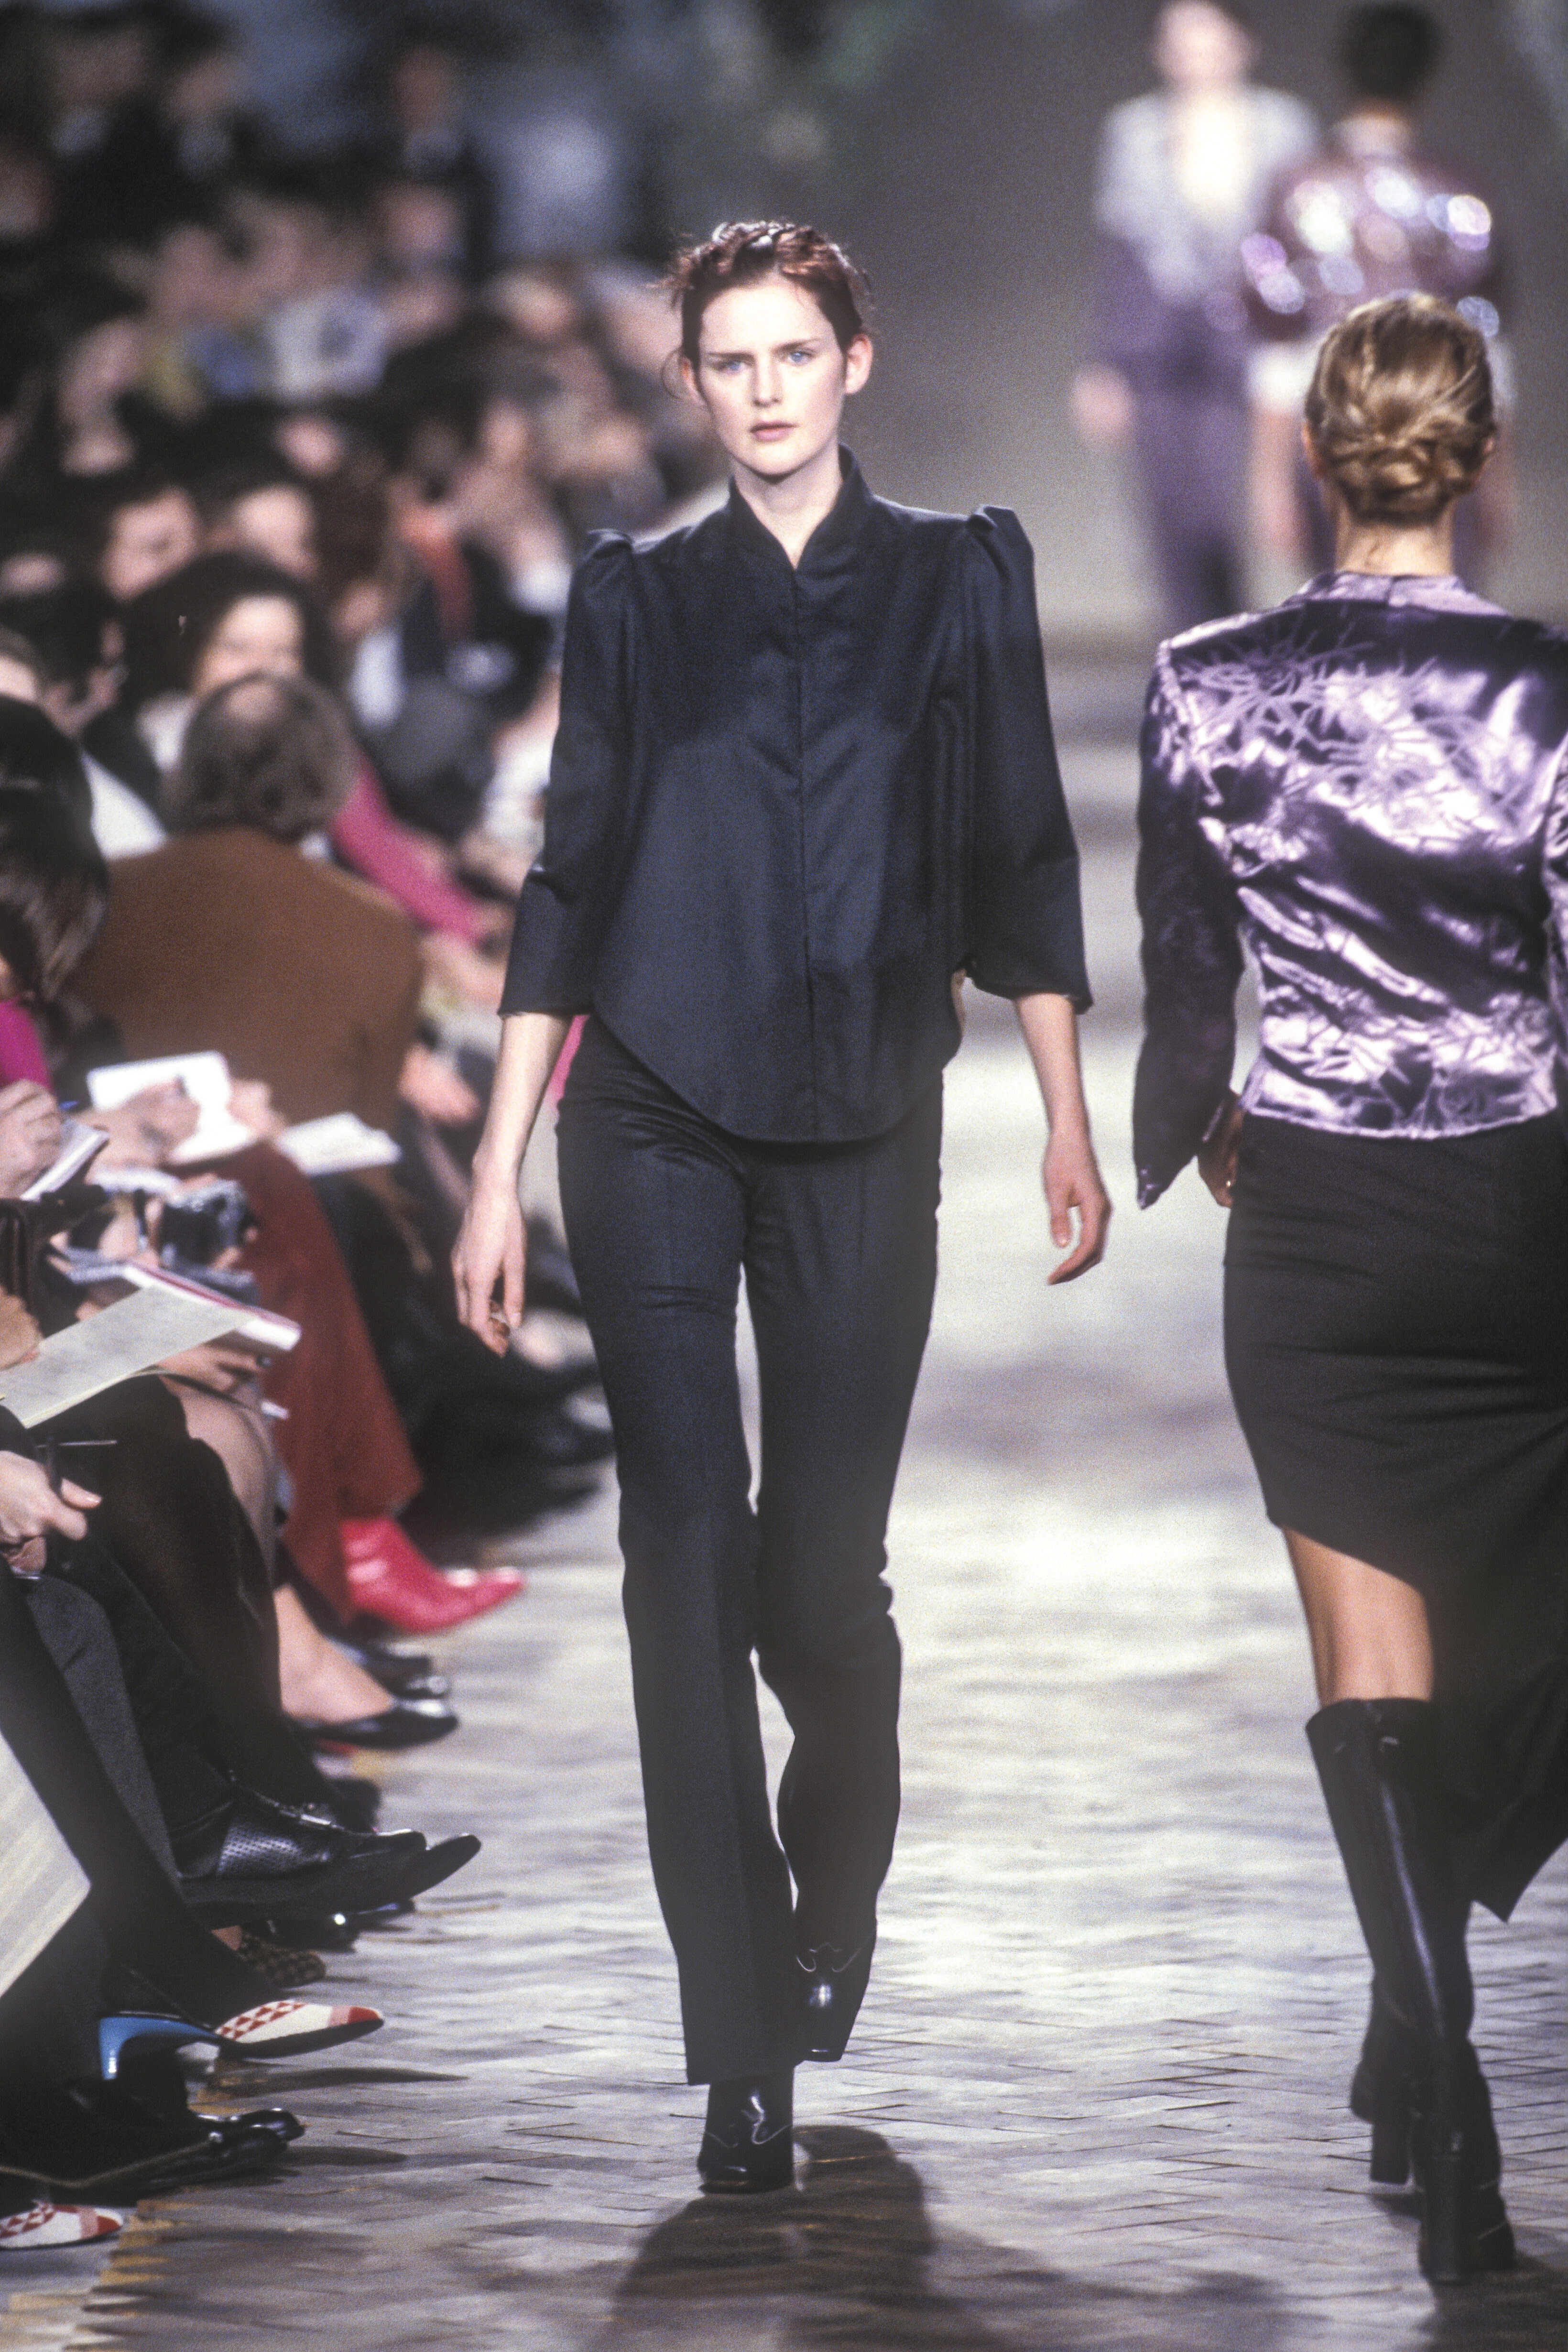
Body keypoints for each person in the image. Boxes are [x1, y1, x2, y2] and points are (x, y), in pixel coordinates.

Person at [454, 220, 1110, 2191]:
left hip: (863, 1119)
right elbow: (569, 876)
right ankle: (739, 2044)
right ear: (691, 382)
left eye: (792, 353)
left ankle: (840, 1872)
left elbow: (1021, 852)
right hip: (648, 1106)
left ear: (854, 361)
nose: (762, 390)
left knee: (822, 1583)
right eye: (728, 360)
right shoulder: (634, 596)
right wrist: (493, 1167)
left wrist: (1066, 1116)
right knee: (682, 1556)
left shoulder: (960, 576)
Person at [1133, 293, 1568, 2285]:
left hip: (1318, 1215)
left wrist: (1192, 1122)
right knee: (1513, 1631)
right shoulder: (1544, 695)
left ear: (1313, 453)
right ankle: (1425, 2037)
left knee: (1369, 1665)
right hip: (1516, 1202)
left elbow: (1186, 972)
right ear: (1480, 458)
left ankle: (1434, 2075)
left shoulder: (1206, 683)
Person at [1244, 3, 1510, 581]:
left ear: (1345, 70)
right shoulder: (1457, 191)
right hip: (1441, 439)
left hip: (1333, 440)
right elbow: (1487, 348)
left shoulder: (1298, 188)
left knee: (1341, 612)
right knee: (1445, 616)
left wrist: (1267, 480)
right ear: (1426, 77)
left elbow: (1278, 347)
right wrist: (1497, 477)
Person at [1073, 0, 1316, 631]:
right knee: (1168, 520)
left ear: (1242, 44)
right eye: (1181, 42)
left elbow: (1301, 244)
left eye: (1210, 39)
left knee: (1218, 515)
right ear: (1162, 52)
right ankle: (1189, 657)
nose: (1196, 55)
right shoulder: (1134, 129)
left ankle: (1228, 647)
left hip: (1250, 344)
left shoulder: (1282, 124)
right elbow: (1121, 250)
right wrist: (1104, 365)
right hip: (1154, 345)